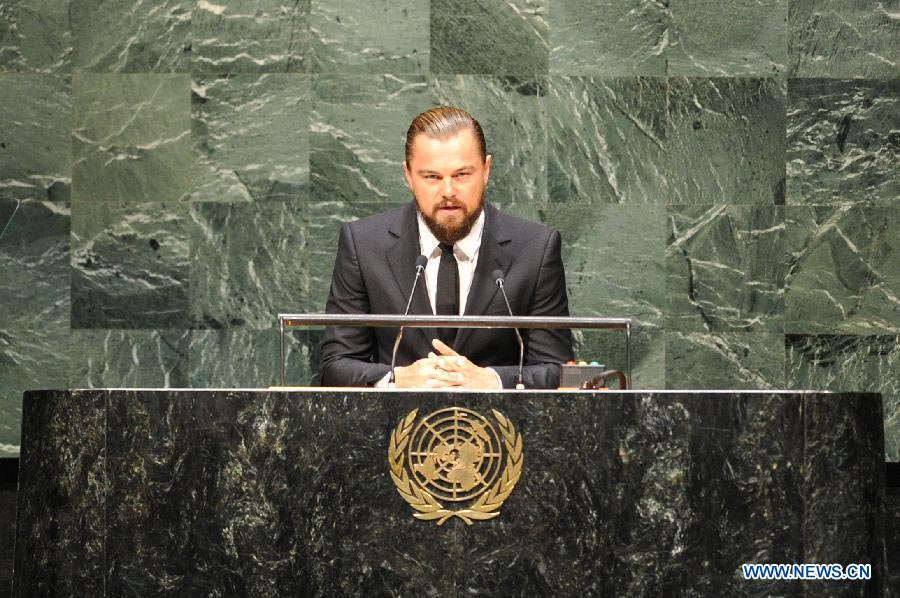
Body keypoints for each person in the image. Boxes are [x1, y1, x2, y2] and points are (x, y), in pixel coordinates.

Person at [319, 106, 573, 389]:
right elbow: (335, 366)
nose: (448, 191)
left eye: (462, 174)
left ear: (486, 170)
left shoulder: (535, 249)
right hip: (395, 428)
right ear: (408, 175)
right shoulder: (364, 245)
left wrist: (492, 379)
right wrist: (396, 378)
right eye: (432, 177)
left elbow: (558, 370)